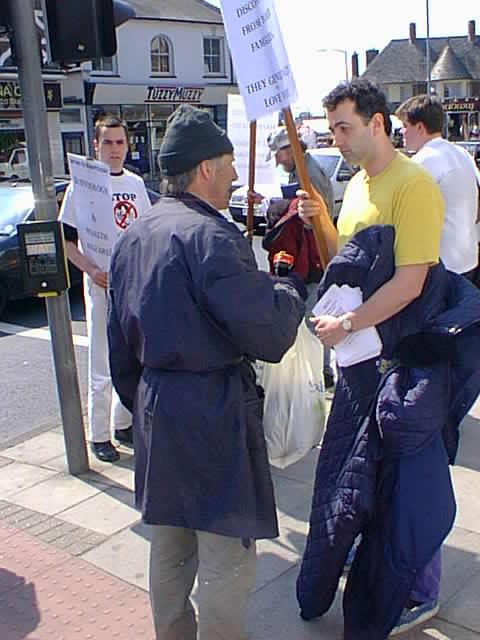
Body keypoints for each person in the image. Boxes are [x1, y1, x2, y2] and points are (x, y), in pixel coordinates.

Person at [107, 104, 306, 640]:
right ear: (204, 170)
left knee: (169, 549)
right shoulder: (212, 238)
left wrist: (151, 397)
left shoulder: (137, 233)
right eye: (229, 164)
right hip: (211, 413)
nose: (237, 175)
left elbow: (119, 349)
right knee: (226, 554)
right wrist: (289, 289)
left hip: (157, 408)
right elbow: (268, 333)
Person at [296, 79, 453, 637]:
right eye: (333, 128)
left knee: (409, 481)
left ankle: (422, 590)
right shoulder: (358, 185)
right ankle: (382, 571)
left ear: (378, 123)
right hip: (362, 361)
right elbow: (350, 265)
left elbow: (410, 282)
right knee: (371, 479)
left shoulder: (414, 186)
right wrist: (319, 217)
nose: (335, 139)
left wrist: (348, 324)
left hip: (405, 361)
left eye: (345, 127)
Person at [59, 115, 151, 463]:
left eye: (120, 142)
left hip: (131, 284)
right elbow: (66, 242)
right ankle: (98, 435)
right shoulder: (81, 187)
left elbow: (144, 229)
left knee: (130, 357)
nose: (115, 150)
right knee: (101, 362)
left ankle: (123, 423)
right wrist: (92, 269)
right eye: (108, 143)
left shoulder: (136, 184)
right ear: (96, 145)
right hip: (100, 286)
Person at [257, 126, 336, 387]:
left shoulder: (308, 174)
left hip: (313, 259)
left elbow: (312, 221)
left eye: (279, 154)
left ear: (290, 149)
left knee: (314, 321)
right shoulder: (300, 171)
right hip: (307, 258)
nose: (278, 161)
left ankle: (319, 375)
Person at [396, 94, 480, 280]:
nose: (401, 132)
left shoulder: (424, 161)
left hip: (443, 267)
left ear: (419, 127)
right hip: (469, 260)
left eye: (405, 126)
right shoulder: (462, 153)